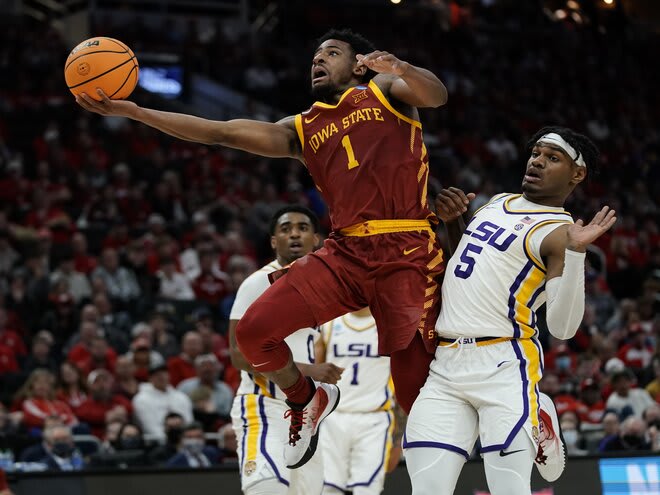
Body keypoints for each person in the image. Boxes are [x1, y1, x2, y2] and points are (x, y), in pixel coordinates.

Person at [76, 28, 448, 468]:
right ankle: (306, 398)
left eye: (330, 53)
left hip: (406, 251)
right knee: (254, 334)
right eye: (314, 55)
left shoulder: (384, 91)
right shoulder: (303, 127)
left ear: (359, 64)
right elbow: (220, 132)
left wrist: (400, 68)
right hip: (346, 252)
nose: (317, 61)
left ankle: (505, 418)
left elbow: (436, 95)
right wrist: (135, 111)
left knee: (414, 394)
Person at [404, 126, 617, 495]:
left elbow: (563, 328)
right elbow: (466, 270)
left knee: (508, 489)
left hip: (503, 362)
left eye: (553, 158)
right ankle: (537, 409)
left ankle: (536, 407)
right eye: (536, 153)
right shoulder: (497, 201)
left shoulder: (558, 232)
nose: (537, 161)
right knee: (427, 489)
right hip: (447, 364)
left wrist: (576, 253)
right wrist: (456, 224)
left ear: (577, 174)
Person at [228, 205, 343, 494]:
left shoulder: (321, 286)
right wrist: (309, 371)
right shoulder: (258, 282)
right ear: (273, 241)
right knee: (267, 490)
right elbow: (238, 355)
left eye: (302, 228)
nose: (294, 234)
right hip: (263, 405)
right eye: (285, 229)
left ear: (317, 239)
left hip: (304, 417)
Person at [315, 307, 396, 495]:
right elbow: (315, 378)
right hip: (333, 417)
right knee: (328, 488)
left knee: (367, 488)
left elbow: (404, 378)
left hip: (374, 418)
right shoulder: (329, 323)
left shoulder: (391, 324)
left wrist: (399, 437)